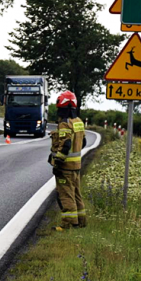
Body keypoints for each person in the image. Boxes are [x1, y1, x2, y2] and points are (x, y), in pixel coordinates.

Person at [49, 91, 87, 230]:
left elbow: (65, 145)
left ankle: (68, 224)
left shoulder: (65, 124)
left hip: (65, 167)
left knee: (66, 195)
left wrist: (57, 163)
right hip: (76, 166)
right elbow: (83, 143)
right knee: (76, 194)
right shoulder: (79, 122)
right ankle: (81, 222)